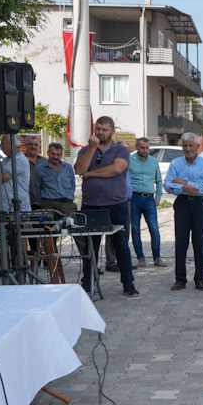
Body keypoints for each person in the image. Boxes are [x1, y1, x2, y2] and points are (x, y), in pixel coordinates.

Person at [75, 117, 136, 299]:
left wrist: (91, 174)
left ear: (112, 131)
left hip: (115, 204)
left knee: (121, 244)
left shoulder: (121, 150)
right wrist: (92, 149)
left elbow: (116, 170)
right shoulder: (86, 150)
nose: (101, 132)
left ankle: (128, 284)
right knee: (90, 247)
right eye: (98, 129)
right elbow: (79, 170)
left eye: (105, 129)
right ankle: (88, 283)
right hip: (91, 204)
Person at [164, 132, 203, 291]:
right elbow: (167, 185)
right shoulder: (176, 163)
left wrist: (185, 182)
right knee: (180, 242)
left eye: (191, 146)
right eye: (185, 146)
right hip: (182, 204)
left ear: (197, 147)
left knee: (200, 242)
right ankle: (180, 279)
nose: (188, 149)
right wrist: (184, 188)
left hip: (200, 204)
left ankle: (200, 279)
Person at [127, 140, 164, 267]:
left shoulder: (153, 161)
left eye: (147, 148)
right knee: (136, 229)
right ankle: (140, 257)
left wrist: (158, 196)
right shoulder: (130, 160)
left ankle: (157, 257)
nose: (145, 150)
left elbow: (159, 180)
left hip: (149, 199)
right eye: (142, 148)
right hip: (134, 198)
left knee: (154, 229)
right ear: (137, 147)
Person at [0, 132, 32, 214]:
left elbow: (2, 178)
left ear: (10, 144)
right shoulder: (6, 160)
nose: (0, 146)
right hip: (4, 207)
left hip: (16, 209)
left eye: (3, 143)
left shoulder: (20, 160)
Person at [32, 140, 78, 215]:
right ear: (48, 153)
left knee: (71, 225)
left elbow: (72, 185)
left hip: (67, 204)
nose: (56, 157)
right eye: (53, 154)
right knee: (50, 226)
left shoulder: (68, 167)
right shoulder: (40, 169)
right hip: (49, 204)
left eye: (58, 154)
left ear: (61, 155)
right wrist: (42, 204)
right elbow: (36, 189)